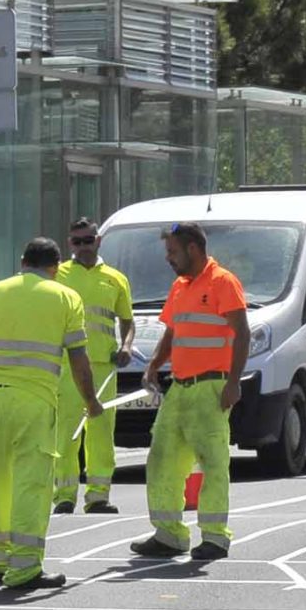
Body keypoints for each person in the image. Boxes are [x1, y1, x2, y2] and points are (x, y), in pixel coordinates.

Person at [0, 238, 106, 591]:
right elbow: (78, 358)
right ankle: (25, 568)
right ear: (55, 267)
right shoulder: (65, 297)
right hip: (35, 399)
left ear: (22, 262)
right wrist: (91, 401)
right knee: (32, 482)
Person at [132, 221, 250, 563]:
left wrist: (233, 382)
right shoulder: (180, 286)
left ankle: (214, 537)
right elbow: (173, 332)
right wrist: (154, 365)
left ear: (192, 249)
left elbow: (241, 333)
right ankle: (168, 534)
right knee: (162, 460)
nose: (168, 258)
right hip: (180, 388)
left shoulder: (222, 282)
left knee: (212, 463)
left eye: (172, 251)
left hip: (211, 387)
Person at [52, 218, 136, 515]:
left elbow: (127, 321)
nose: (83, 246)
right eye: (77, 241)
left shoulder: (115, 278)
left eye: (88, 240)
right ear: (69, 243)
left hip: (103, 365)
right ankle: (64, 495)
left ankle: (98, 495)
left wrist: (125, 346)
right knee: (66, 432)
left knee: (101, 433)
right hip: (66, 365)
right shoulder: (58, 274)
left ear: (99, 240)